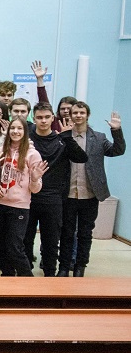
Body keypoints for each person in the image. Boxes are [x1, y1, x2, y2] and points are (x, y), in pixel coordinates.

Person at [58, 104, 124, 277]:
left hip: (90, 194)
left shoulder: (99, 138)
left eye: (82, 112)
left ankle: (80, 267)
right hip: (67, 194)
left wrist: (116, 131)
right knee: (66, 232)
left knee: (85, 233)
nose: (78, 115)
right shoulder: (63, 137)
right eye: (75, 112)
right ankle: (63, 267)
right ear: (70, 115)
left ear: (87, 115)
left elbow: (118, 150)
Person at [24, 103, 87, 276]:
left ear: (53, 118)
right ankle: (25, 273)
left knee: (51, 241)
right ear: (34, 119)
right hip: (28, 197)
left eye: (47, 117)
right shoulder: (27, 140)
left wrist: (68, 137)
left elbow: (82, 158)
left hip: (53, 199)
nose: (43, 121)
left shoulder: (62, 139)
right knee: (25, 239)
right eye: (39, 117)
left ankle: (50, 274)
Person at [0, 118, 47, 276]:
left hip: (19, 208)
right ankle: (7, 278)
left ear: (25, 132)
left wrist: (35, 179)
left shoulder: (32, 154)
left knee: (14, 247)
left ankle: (27, 279)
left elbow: (35, 189)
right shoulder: (0, 150)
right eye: (13, 128)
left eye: (19, 128)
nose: (15, 131)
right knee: (1, 247)